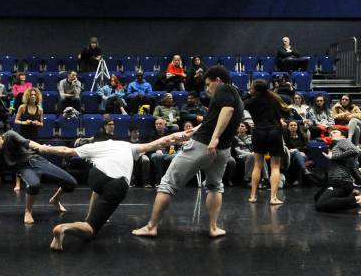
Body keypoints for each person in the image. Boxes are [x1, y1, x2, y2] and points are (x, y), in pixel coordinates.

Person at [133, 65, 243, 238]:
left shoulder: (224, 88)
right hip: (222, 150)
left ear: (218, 80)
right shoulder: (236, 95)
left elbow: (227, 111)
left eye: (208, 85)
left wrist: (214, 138)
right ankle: (214, 228)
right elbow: (210, 121)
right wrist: (187, 133)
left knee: (168, 183)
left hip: (204, 145)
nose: (207, 89)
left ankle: (151, 227)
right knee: (215, 186)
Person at [38, 130, 191, 251]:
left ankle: (89, 216)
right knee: (90, 230)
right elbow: (158, 143)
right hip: (116, 185)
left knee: (98, 189)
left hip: (96, 177)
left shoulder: (92, 146)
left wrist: (44, 148)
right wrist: (179, 134)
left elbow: (65, 150)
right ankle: (64, 228)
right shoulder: (126, 145)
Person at [0, 129, 77, 224]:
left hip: (36, 160)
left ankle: (55, 199)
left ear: (0, 137)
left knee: (71, 183)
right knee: (34, 185)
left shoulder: (10, 135)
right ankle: (28, 211)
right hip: (23, 168)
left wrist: (40, 147)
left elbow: (27, 142)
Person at [244, 79, 289, 205]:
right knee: (275, 166)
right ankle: (273, 198)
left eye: (252, 88)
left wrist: (248, 94)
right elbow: (286, 111)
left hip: (258, 132)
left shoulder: (251, 101)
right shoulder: (274, 99)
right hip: (274, 132)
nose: (250, 89)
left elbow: (241, 103)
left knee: (257, 164)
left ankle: (253, 196)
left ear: (256, 90)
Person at [313, 129, 361, 214]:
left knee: (321, 204)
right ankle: (351, 196)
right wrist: (358, 180)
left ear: (343, 136)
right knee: (317, 197)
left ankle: (357, 199)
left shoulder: (342, 141)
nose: (331, 134)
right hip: (340, 182)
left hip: (340, 182)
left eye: (335, 132)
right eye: (330, 133)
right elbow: (351, 166)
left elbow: (355, 150)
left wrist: (333, 157)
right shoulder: (337, 147)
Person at [13, 88, 44, 192]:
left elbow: (42, 123)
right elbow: (16, 120)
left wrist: (37, 123)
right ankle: (17, 183)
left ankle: (31, 181)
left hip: (34, 136)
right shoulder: (22, 107)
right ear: (28, 96)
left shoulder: (39, 109)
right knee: (21, 159)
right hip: (23, 136)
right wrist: (24, 122)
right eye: (31, 95)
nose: (33, 96)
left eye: (35, 95)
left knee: (33, 159)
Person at [232, 122, 269, 188]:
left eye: (242, 126)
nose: (240, 127)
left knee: (260, 156)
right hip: (241, 155)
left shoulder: (251, 137)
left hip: (252, 154)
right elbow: (237, 151)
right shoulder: (235, 138)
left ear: (246, 129)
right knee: (252, 156)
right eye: (239, 126)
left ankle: (265, 179)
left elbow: (256, 147)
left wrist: (254, 153)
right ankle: (247, 179)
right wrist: (250, 153)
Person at [148, 118, 174, 186]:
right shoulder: (151, 134)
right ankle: (159, 182)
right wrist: (156, 149)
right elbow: (149, 146)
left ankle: (172, 182)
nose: (158, 125)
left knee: (174, 156)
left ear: (164, 125)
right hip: (155, 153)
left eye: (160, 124)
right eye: (156, 124)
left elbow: (172, 145)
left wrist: (172, 149)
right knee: (158, 156)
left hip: (166, 153)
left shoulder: (168, 134)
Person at [283, 121, 309, 186]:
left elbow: (306, 147)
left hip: (301, 154)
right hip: (289, 155)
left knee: (300, 155)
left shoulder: (302, 136)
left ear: (297, 127)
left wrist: (297, 150)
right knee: (298, 154)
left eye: (295, 125)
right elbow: (284, 147)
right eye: (291, 125)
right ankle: (304, 170)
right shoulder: (285, 137)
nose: (293, 126)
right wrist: (295, 151)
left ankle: (298, 179)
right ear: (288, 127)